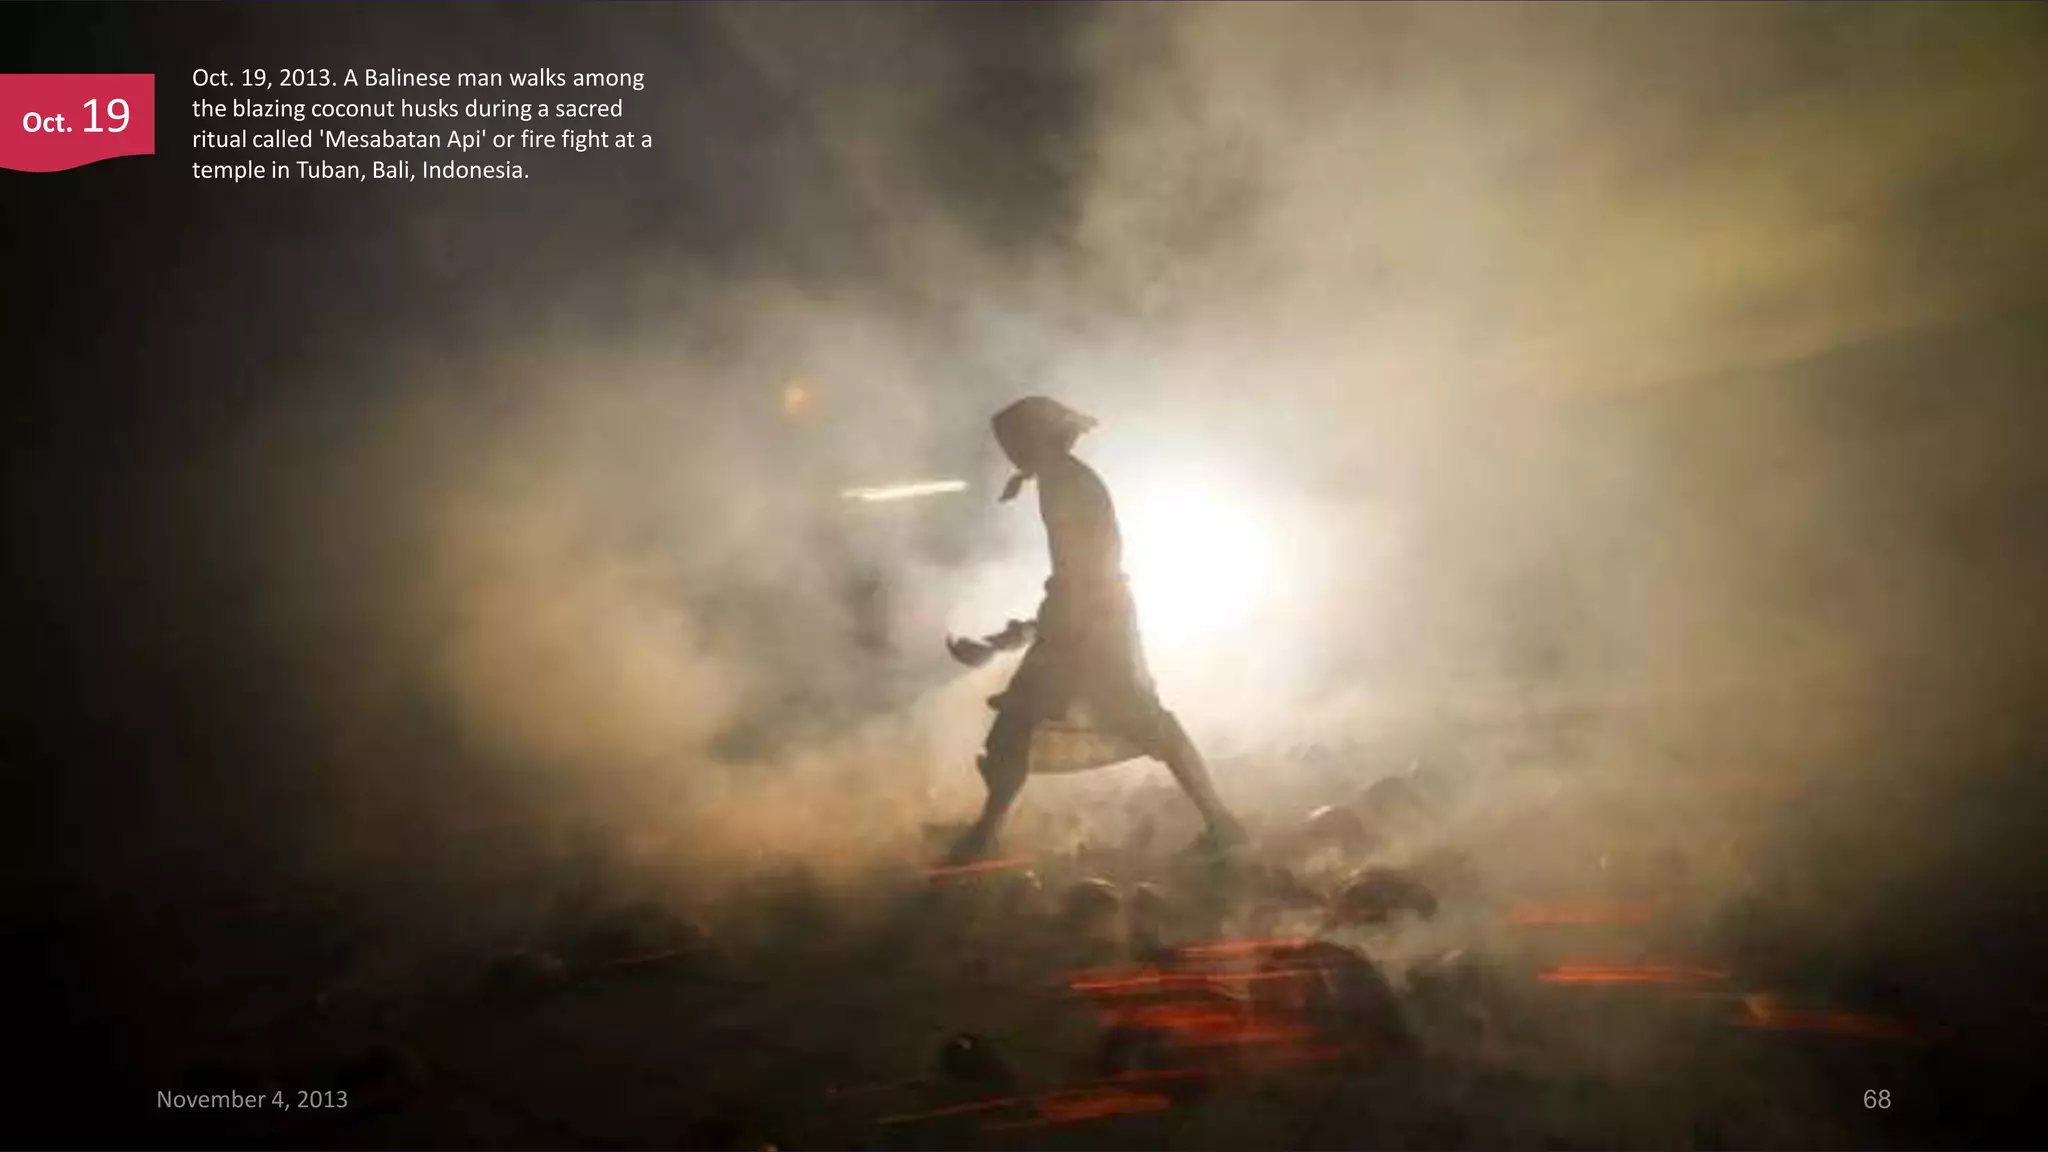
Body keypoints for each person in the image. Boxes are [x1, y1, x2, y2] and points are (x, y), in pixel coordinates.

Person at [942, 396, 1248, 864]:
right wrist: (1026, 634)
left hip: (1091, 624)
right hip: (1088, 618)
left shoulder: (1066, 485)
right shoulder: (1059, 480)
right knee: (1023, 725)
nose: (1009, 451)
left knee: (1136, 721)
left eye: (1015, 440)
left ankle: (1223, 824)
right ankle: (986, 833)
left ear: (1037, 438)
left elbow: (1085, 572)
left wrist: (1023, 636)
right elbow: (1077, 574)